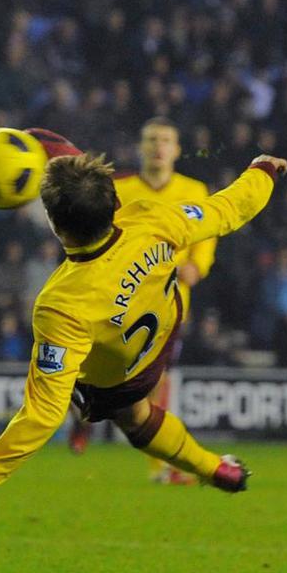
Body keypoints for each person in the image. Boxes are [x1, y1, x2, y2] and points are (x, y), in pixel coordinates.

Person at [0, 151, 287, 514]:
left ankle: (208, 466)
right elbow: (230, 208)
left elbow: (43, 415)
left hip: (117, 373)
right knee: (138, 415)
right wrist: (263, 170)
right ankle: (220, 470)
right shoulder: (150, 218)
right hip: (164, 330)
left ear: (55, 226)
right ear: (113, 201)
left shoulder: (60, 303)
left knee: (133, 416)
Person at [106, 117, 218, 483]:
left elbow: (206, 237)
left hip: (169, 306)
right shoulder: (119, 189)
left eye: (165, 140)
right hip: (122, 301)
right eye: (151, 138)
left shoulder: (193, 190)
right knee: (123, 380)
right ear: (140, 147)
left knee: (154, 382)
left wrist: (196, 268)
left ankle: (161, 465)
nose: (158, 146)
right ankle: (87, 419)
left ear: (177, 149)